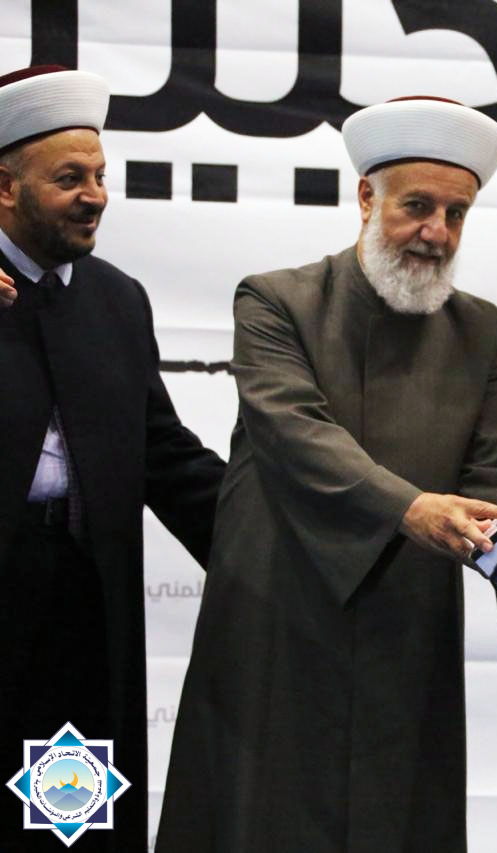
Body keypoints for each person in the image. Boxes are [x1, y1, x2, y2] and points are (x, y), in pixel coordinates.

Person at [155, 97, 497, 852]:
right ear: (366, 197)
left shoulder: (480, 329)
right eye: (417, 207)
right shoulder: (275, 301)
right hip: (280, 617)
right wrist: (411, 509)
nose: (436, 232)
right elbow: (296, 434)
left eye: (456, 214)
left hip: (408, 628)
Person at [0, 65, 225, 852]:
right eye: (69, 179)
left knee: (69, 821)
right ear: (5, 188)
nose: (95, 195)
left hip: (83, 618)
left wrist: (278, 535)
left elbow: (164, 453)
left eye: (99, 176)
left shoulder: (117, 299)